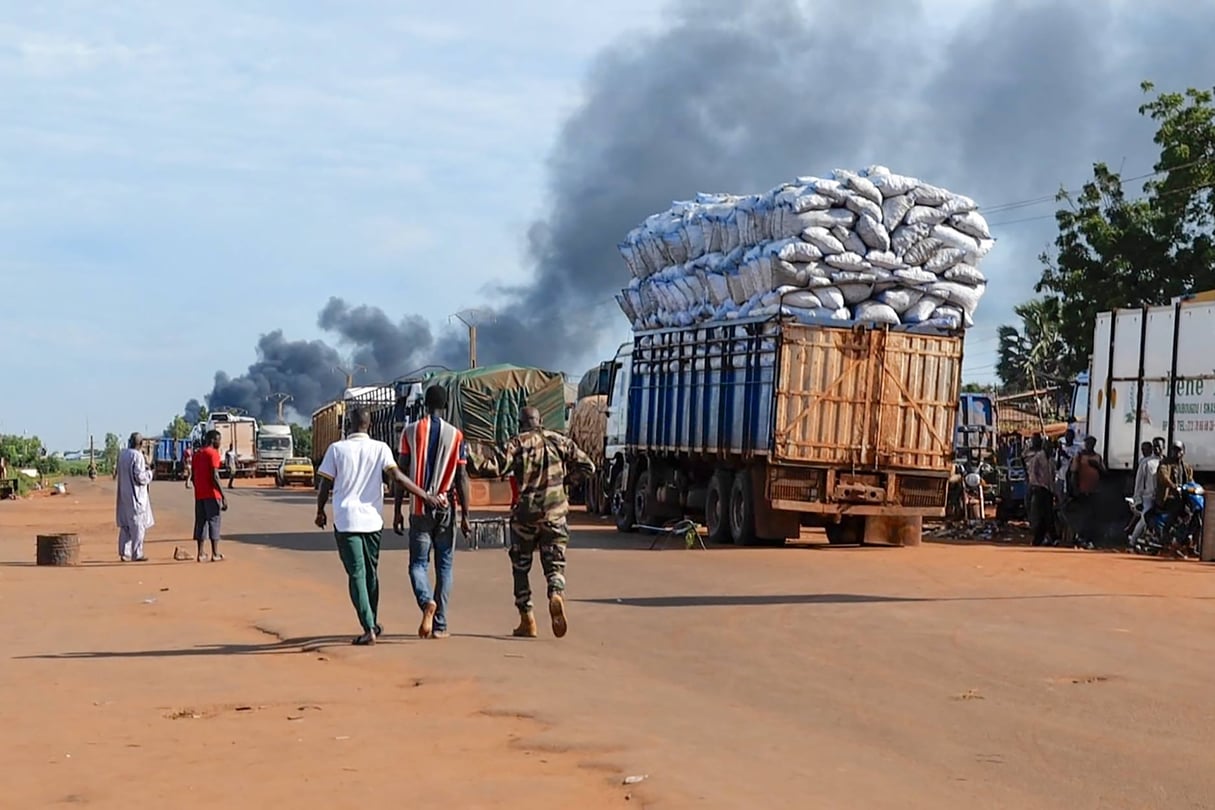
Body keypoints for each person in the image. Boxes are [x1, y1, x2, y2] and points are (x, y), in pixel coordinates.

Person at [317, 408, 439, 646]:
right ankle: (372, 621)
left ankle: (368, 627)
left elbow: (325, 484)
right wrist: (424, 495)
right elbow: (398, 477)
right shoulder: (380, 448)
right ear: (370, 425)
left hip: (347, 521)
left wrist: (319, 510)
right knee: (371, 574)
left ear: (348, 425)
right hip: (372, 522)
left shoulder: (337, 449)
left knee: (357, 574)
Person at [475, 406, 595, 639]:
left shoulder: (518, 443)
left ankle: (527, 619)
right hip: (556, 514)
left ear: (521, 423)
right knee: (555, 564)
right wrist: (564, 483)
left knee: (521, 567)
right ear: (540, 421)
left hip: (526, 517)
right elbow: (587, 467)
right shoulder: (560, 441)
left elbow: (493, 467)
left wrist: (469, 457)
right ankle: (555, 593)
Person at [393, 385, 472, 640]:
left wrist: (396, 510)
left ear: (424, 405)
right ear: (445, 406)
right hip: (446, 508)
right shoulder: (456, 435)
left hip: (419, 507)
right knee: (445, 567)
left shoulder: (410, 431)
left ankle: (427, 601)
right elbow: (462, 476)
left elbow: (401, 474)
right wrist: (466, 515)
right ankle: (440, 625)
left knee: (418, 564)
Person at [115, 432, 155, 562]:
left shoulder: (123, 454)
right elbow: (140, 477)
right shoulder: (137, 456)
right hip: (136, 496)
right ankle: (137, 553)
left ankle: (124, 552)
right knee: (138, 525)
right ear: (141, 444)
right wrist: (150, 473)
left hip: (124, 495)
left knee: (126, 525)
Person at [191, 430, 228, 562]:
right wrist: (223, 495)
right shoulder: (213, 454)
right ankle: (215, 553)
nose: (220, 442)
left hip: (199, 495)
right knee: (214, 522)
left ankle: (200, 554)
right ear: (213, 440)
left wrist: (198, 488)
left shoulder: (196, 455)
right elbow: (215, 476)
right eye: (219, 439)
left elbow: (193, 477)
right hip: (212, 495)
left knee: (200, 522)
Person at [1068, 435, 1107, 549]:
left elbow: (1104, 473)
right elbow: (1073, 473)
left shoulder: (1097, 457)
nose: (1090, 445)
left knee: (1092, 516)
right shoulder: (1079, 456)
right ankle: (1080, 538)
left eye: (1092, 443)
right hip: (1082, 490)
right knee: (1083, 515)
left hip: (1094, 491)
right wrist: (1075, 489)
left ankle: (1088, 538)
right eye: (1088, 443)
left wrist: (1097, 466)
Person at [1155, 440, 1195, 546]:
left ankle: (1182, 539)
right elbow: (1163, 476)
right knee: (1177, 511)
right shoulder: (1165, 463)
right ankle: (1168, 537)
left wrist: (1195, 488)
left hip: (1183, 497)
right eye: (1174, 450)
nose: (1177, 452)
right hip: (1169, 497)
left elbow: (1191, 480)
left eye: (1179, 450)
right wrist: (1173, 486)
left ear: (1183, 452)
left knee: (1190, 513)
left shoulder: (1186, 467)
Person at [1024, 435, 1056, 547]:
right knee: (1039, 514)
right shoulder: (1038, 457)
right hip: (1038, 489)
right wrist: (1035, 485)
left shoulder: (1051, 460)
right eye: (1048, 446)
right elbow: (1033, 473)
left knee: (1048, 515)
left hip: (1048, 490)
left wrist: (1053, 489)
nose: (1050, 448)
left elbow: (1053, 475)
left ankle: (1046, 538)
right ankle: (1038, 538)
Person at [1129, 441, 1161, 546]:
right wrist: (1137, 499)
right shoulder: (1146, 463)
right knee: (1144, 519)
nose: (1157, 449)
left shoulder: (1165, 462)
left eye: (1159, 447)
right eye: (1155, 447)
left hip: (1161, 497)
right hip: (1148, 497)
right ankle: (1132, 542)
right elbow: (1139, 482)